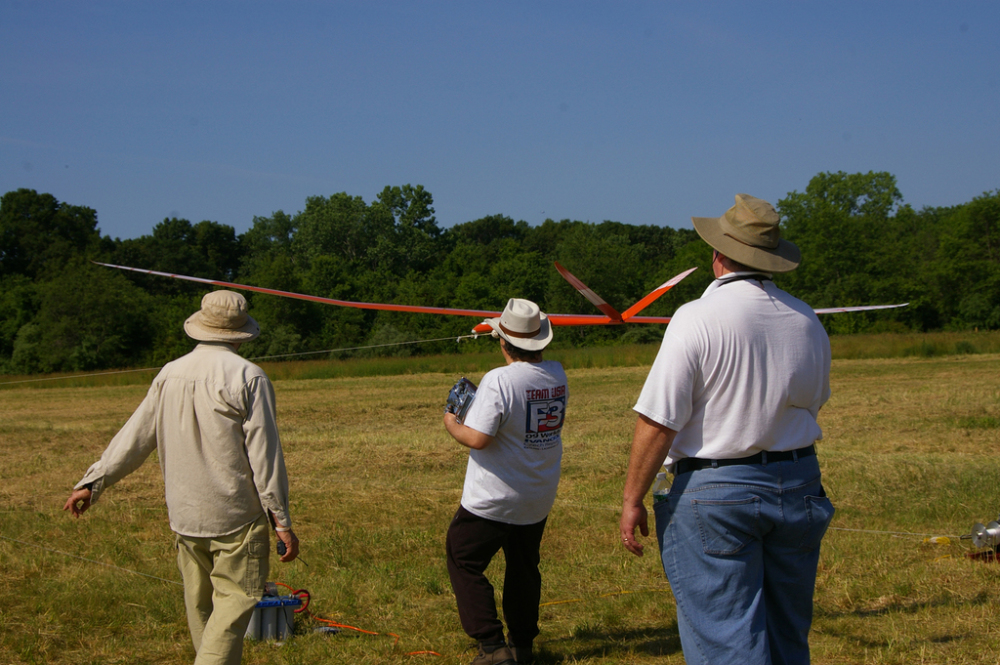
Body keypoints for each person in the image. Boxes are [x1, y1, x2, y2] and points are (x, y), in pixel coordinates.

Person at [619, 194, 835, 665]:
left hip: (717, 492)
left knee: (726, 641)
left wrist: (633, 499)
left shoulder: (695, 317)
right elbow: (815, 401)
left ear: (718, 255)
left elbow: (658, 420)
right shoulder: (806, 319)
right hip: (801, 485)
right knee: (788, 636)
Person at [64, 290, 299, 665]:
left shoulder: (169, 373)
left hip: (185, 516)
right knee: (230, 613)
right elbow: (265, 456)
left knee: (203, 613)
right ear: (241, 333)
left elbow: (135, 436)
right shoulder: (249, 376)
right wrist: (282, 522)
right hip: (236, 517)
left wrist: (94, 481)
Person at [443, 298, 568, 665]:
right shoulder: (558, 373)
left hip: (494, 498)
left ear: (502, 342)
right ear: (540, 341)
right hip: (537, 494)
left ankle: (492, 646)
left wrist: (452, 423)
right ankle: (523, 644)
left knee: (463, 557)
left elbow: (479, 437)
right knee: (524, 566)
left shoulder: (499, 379)